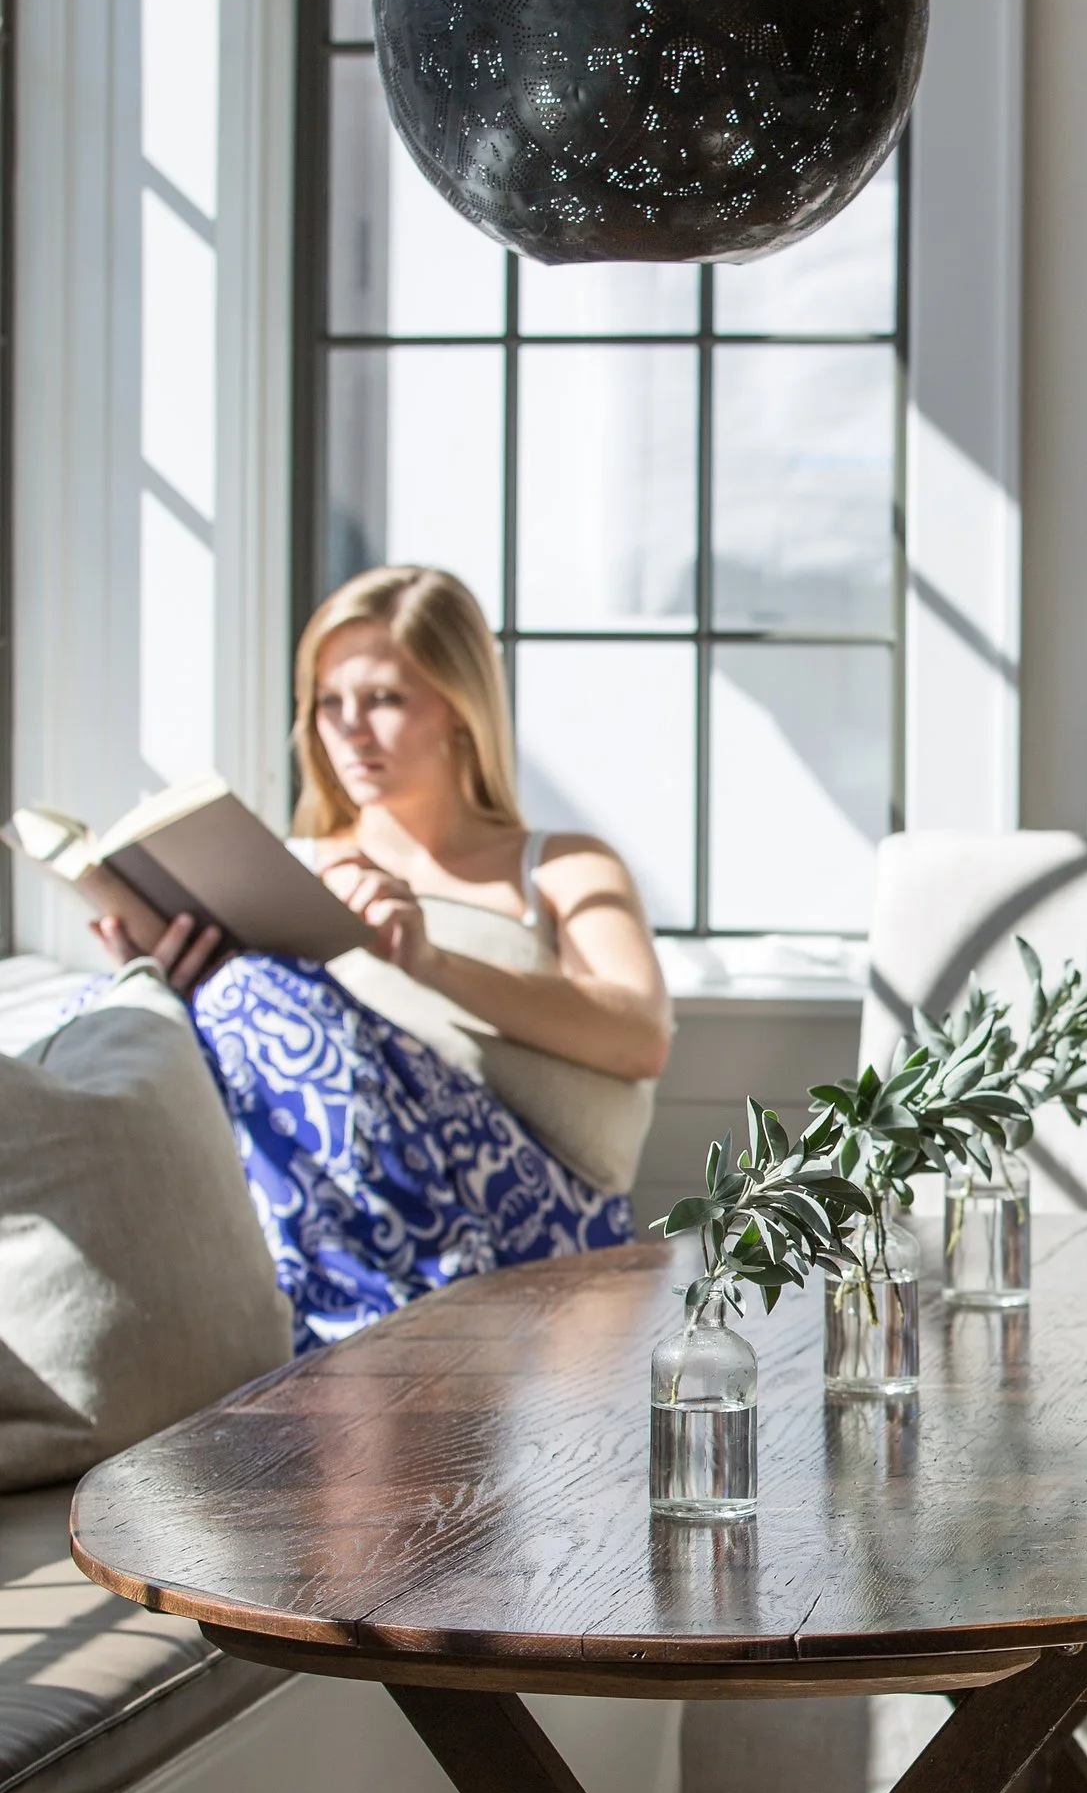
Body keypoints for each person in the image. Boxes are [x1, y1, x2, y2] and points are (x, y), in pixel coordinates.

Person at [94, 565, 674, 1348]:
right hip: (316, 1212)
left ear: (461, 712)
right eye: (329, 703)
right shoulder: (282, 862)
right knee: (128, 1015)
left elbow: (641, 1034)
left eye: (384, 699)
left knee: (253, 990)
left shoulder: (562, 865)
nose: (350, 730)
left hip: (526, 1216)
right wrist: (163, 980)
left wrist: (430, 961)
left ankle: (373, 1337)